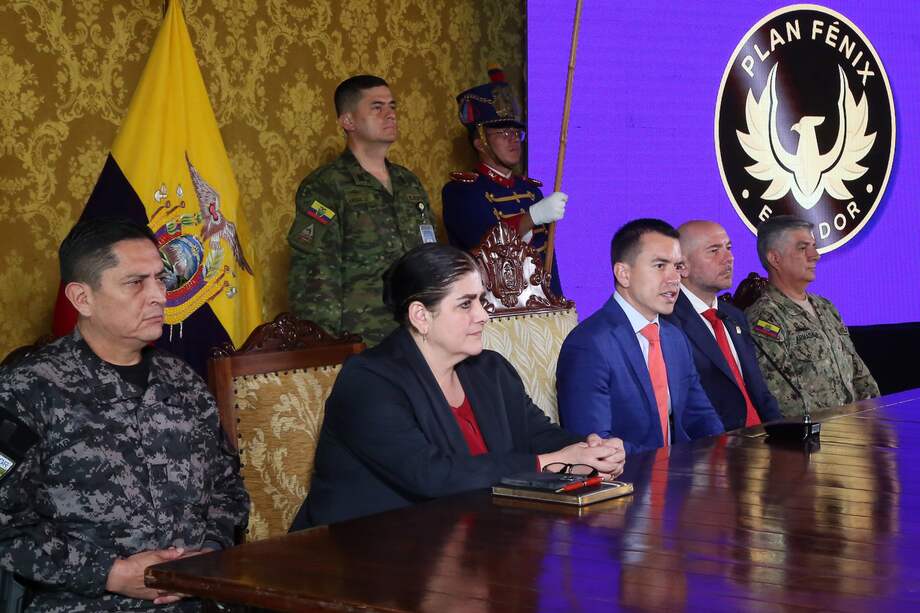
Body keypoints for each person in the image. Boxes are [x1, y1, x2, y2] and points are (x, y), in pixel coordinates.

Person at [0, 219, 249, 612]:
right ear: (83, 298)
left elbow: (228, 487)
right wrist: (111, 574)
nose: (158, 297)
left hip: (198, 599)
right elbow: (6, 524)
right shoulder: (26, 389)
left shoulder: (181, 378)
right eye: (135, 283)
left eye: (161, 280)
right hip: (86, 603)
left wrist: (208, 555)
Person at [291, 243, 625, 528]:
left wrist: (591, 449)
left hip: (470, 543)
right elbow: (431, 475)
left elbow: (537, 434)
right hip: (366, 555)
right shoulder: (369, 381)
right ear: (421, 316)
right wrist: (547, 463)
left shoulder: (490, 369)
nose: (483, 315)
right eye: (466, 304)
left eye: (480, 300)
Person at [288, 74, 434, 345]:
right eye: (377, 107)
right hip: (363, 341)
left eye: (392, 106)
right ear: (348, 121)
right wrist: (326, 350)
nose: (390, 114)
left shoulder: (409, 183)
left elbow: (429, 256)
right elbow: (315, 278)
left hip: (420, 333)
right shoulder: (325, 186)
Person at [556, 218, 724, 455]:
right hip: (626, 482)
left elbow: (701, 418)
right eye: (659, 266)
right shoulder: (588, 345)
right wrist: (673, 465)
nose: (674, 279)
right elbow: (594, 444)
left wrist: (724, 455)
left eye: (677, 267)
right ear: (623, 274)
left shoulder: (674, 338)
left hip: (678, 478)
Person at [441, 66, 566, 296]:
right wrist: (532, 217)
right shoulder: (461, 192)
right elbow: (486, 247)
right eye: (502, 133)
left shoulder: (530, 191)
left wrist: (558, 301)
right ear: (480, 142)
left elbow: (548, 263)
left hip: (541, 308)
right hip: (493, 312)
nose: (513, 140)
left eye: (515, 133)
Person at [745, 216, 879, 416]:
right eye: (802, 248)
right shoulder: (764, 318)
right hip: (814, 439)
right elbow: (781, 399)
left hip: (856, 430)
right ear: (775, 258)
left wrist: (876, 417)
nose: (815, 255)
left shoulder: (825, 307)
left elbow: (860, 374)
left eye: (814, 246)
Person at [663, 220, 781, 430]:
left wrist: (784, 436)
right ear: (682, 267)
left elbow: (760, 392)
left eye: (729, 248)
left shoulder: (734, 316)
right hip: (717, 449)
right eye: (714, 251)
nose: (729, 258)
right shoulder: (668, 323)